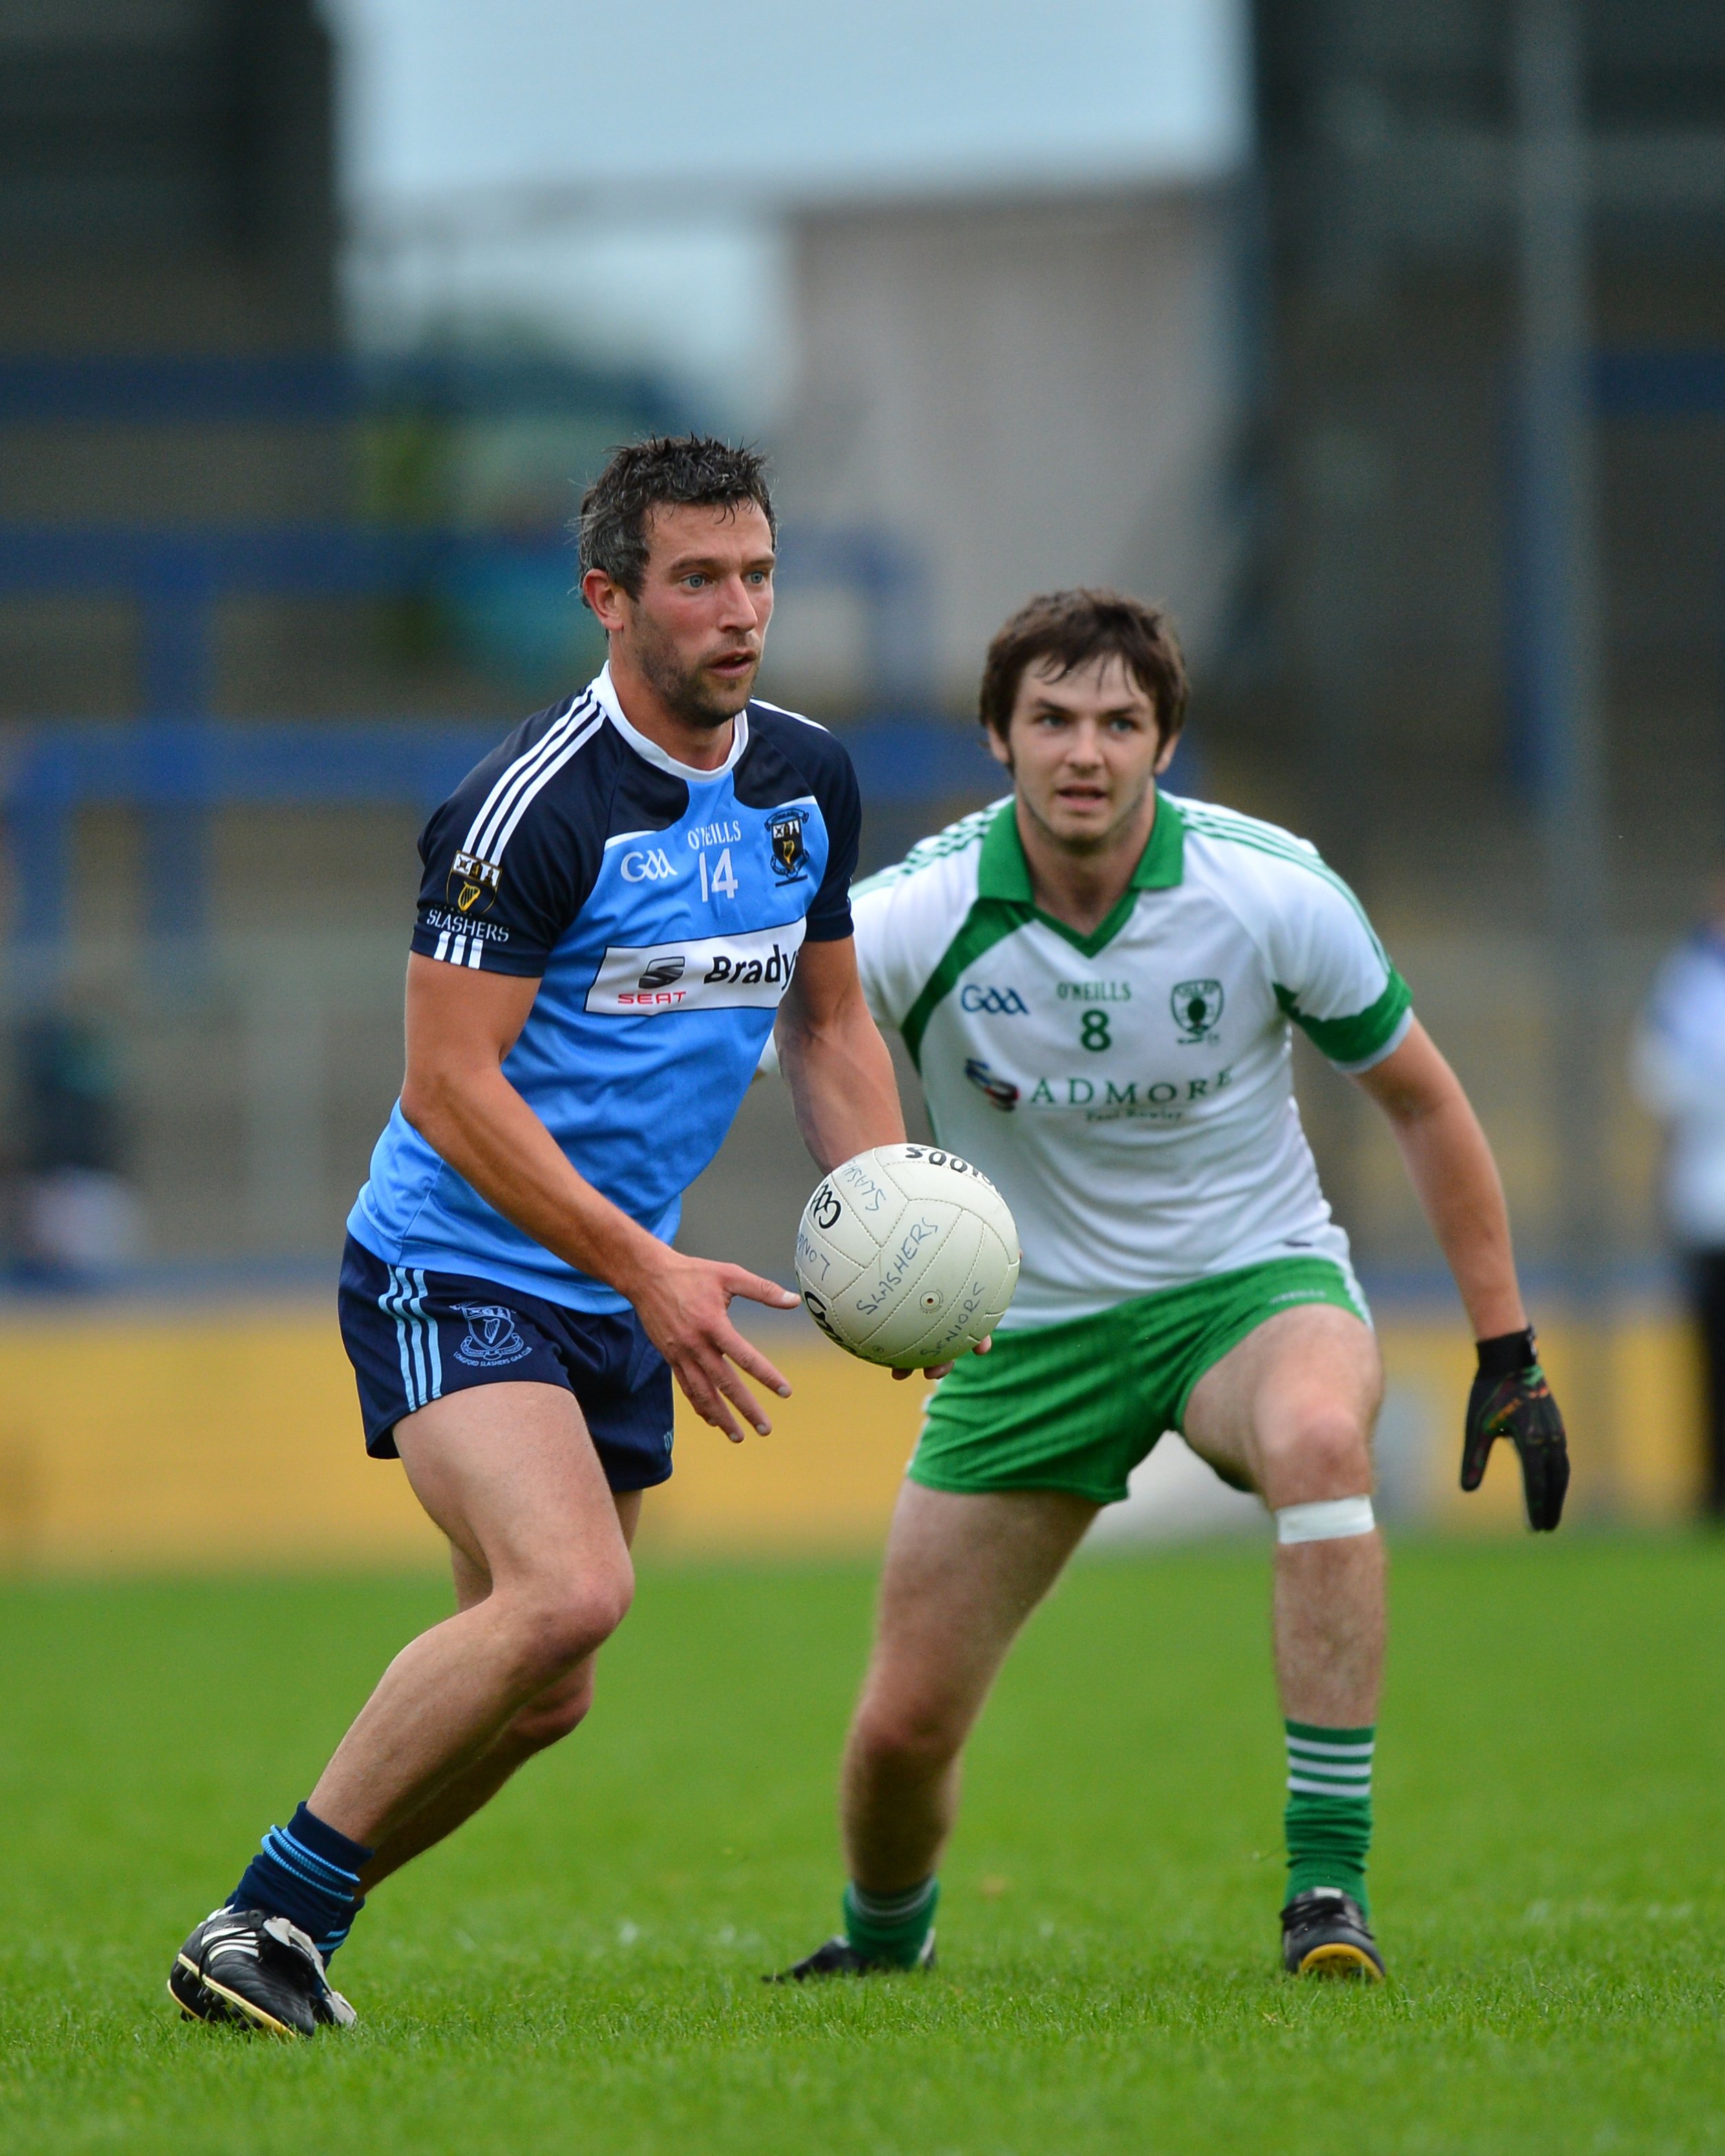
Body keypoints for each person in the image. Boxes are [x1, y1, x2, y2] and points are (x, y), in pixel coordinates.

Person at [168, 436, 927, 2037]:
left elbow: (833, 1026)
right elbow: (447, 1089)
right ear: (607, 598)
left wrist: (891, 1222)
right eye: (698, 579)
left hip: (611, 1285)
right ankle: (261, 1923)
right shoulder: (527, 809)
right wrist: (647, 1266)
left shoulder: (805, 779)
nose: (740, 611)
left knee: (546, 1685)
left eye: (761, 574)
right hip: (457, 1261)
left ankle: (286, 1924)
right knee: (572, 1592)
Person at [772, 588, 1569, 1986]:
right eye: (1051, 720)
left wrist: (1506, 1348)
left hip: (1243, 1290)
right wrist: (876, 1230)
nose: (1084, 751)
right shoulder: (910, 914)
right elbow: (804, 1022)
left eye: (1118, 722)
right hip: (1021, 1336)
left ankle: (1325, 1893)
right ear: (996, 738)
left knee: (1322, 1440)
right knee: (900, 1731)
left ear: (1164, 742)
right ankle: (882, 1953)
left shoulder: (1269, 893)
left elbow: (1426, 1107)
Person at [1631, 876, 1725, 1516]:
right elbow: (1658, 1074)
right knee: (1712, 1353)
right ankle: (1716, 1483)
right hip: (1706, 1193)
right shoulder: (1688, 982)